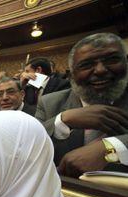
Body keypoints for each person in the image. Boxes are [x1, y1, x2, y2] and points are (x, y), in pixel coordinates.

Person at [35, 33, 128, 176]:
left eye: (112, 60)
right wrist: (62, 120)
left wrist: (112, 148)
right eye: (87, 65)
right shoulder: (49, 103)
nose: (100, 70)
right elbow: (30, 144)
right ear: (71, 75)